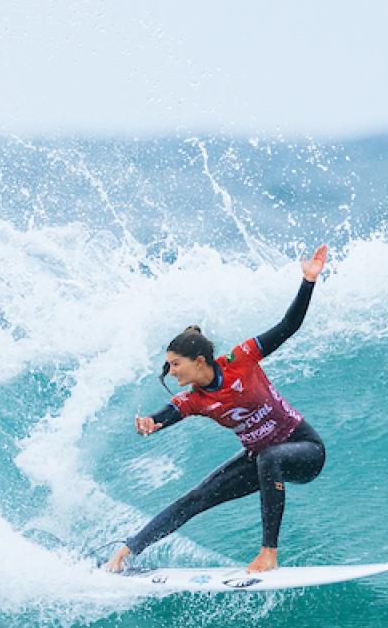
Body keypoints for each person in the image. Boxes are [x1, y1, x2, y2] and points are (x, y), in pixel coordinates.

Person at [105, 244, 331, 574]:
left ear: (199, 361)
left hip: (305, 450)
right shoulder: (195, 399)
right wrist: (151, 422)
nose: (171, 372)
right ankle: (127, 552)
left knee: (269, 457)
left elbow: (288, 325)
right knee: (197, 497)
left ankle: (268, 554)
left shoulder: (241, 358)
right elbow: (167, 413)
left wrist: (308, 280)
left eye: (176, 364)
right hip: (262, 458)